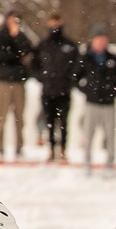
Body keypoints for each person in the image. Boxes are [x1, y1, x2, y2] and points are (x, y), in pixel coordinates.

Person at [76, 24, 116, 175]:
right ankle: (87, 163)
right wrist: (88, 91)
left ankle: (110, 163)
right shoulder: (86, 57)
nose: (101, 42)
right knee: (88, 134)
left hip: (109, 104)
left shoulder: (112, 58)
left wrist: (113, 92)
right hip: (92, 103)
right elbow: (75, 77)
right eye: (99, 39)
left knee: (110, 135)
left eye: (104, 39)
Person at [34, 11, 81, 162]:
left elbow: (77, 66)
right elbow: (34, 65)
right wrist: (42, 78)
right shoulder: (43, 45)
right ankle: (51, 149)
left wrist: (70, 80)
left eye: (57, 24)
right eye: (52, 24)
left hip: (64, 91)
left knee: (64, 123)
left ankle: (63, 149)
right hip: (48, 90)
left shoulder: (70, 45)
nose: (55, 27)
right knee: (49, 122)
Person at [0, 8, 33, 160]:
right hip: (4, 81)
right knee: (1, 116)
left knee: (20, 117)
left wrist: (16, 38)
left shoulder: (22, 37)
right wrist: (16, 56)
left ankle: (19, 148)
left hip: (19, 81)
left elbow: (28, 52)